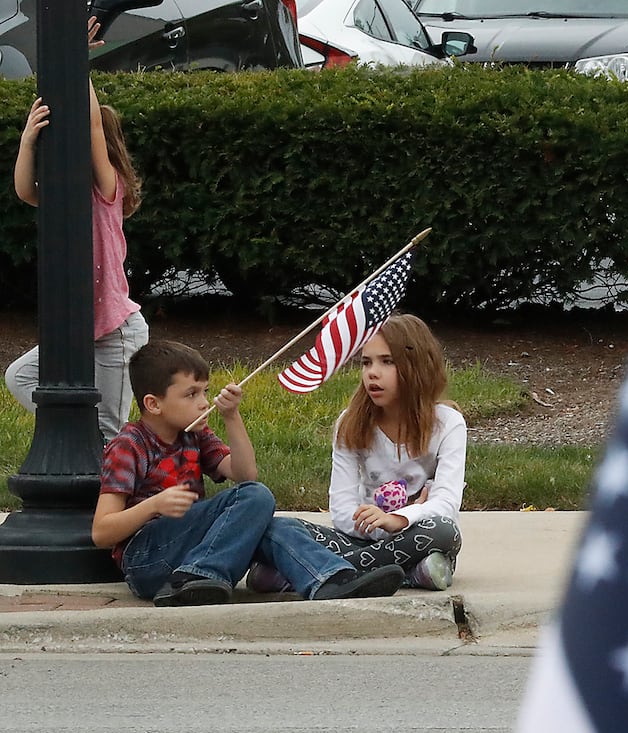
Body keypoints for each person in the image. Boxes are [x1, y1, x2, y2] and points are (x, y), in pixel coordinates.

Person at [92, 340, 406, 608]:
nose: (204, 403)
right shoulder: (129, 445)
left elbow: (244, 473)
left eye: (205, 392)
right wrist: (154, 505)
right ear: (153, 404)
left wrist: (231, 416)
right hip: (147, 562)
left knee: (271, 523)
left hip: (191, 555)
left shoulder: (194, 435)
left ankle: (331, 580)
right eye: (191, 395)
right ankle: (200, 576)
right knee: (255, 497)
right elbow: (102, 533)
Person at [248, 314, 466, 593]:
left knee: (443, 531)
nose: (372, 372)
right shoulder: (350, 423)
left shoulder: (448, 424)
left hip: (418, 536)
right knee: (276, 530)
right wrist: (379, 524)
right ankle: (409, 574)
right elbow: (341, 511)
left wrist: (398, 519)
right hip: (358, 539)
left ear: (418, 366)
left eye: (387, 361)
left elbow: (446, 504)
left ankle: (316, 572)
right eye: (366, 362)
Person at [8, 18, 150, 445]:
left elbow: (90, 129)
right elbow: (23, 191)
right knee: (21, 376)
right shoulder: (60, 195)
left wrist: (77, 61)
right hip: (78, 330)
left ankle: (120, 491)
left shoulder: (107, 190)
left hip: (116, 331)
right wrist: (28, 141)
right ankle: (81, 441)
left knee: (112, 430)